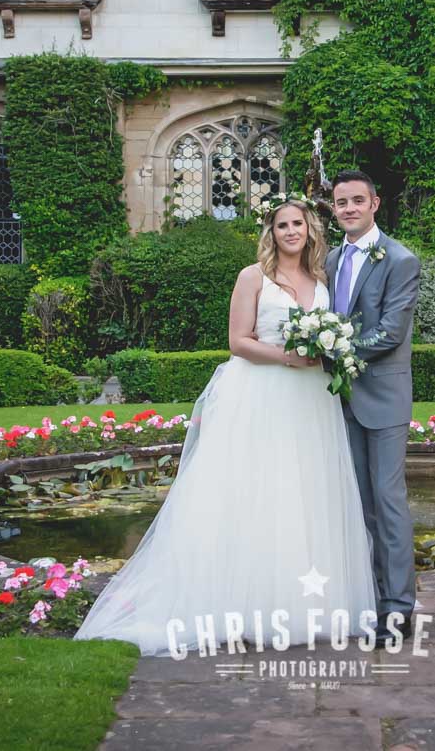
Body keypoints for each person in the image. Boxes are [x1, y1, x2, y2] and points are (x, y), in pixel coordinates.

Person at [73, 196, 377, 656]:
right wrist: (288, 357)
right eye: (282, 225)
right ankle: (240, 598)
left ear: (311, 230)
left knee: (307, 490)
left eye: (298, 224)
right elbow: (238, 342)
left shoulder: (322, 278)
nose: (291, 231)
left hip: (311, 400)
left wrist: (321, 353)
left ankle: (302, 600)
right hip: (261, 394)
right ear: (271, 233)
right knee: (253, 490)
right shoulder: (252, 277)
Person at [325, 169, 423, 638]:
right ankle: (371, 594)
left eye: (357, 201)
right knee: (359, 504)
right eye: (341, 202)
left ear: (375, 203)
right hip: (338, 400)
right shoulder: (328, 259)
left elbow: (390, 332)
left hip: (382, 397)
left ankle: (399, 608)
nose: (349, 209)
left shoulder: (400, 259)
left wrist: (332, 351)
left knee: (387, 502)